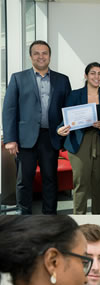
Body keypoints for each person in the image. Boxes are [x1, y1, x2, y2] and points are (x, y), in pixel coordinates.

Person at [1, 40, 71, 215]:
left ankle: (50, 218)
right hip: (25, 140)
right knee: (24, 180)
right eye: (37, 53)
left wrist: (63, 129)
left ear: (49, 56)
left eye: (44, 53)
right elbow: (9, 110)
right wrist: (10, 139)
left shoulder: (62, 80)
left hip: (51, 138)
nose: (41, 56)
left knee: (50, 179)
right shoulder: (18, 78)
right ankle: (23, 219)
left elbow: (67, 110)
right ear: (31, 56)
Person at [56, 62, 100, 215]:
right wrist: (59, 129)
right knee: (80, 183)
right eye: (93, 73)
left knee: (99, 184)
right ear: (86, 76)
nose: (97, 76)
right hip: (79, 143)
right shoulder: (74, 95)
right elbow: (66, 119)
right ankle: (79, 220)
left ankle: (99, 219)